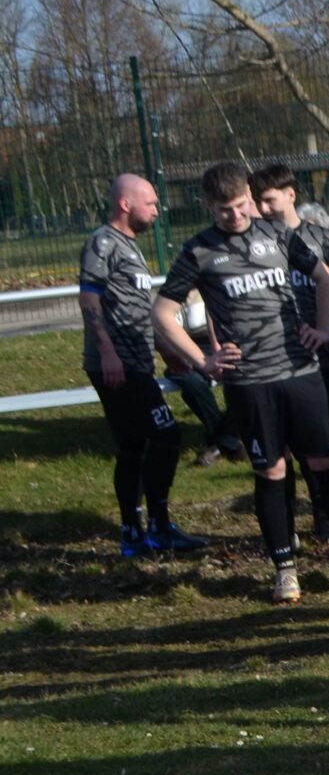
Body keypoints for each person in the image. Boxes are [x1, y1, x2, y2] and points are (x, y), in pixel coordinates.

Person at [154, 162, 329, 603]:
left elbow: (326, 278)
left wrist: (323, 329)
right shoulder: (199, 251)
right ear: (208, 206)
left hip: (302, 372)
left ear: (249, 195)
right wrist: (203, 361)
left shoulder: (278, 234)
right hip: (250, 382)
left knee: (327, 464)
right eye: (224, 209)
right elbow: (162, 314)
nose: (235, 215)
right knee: (271, 470)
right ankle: (285, 569)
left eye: (239, 204)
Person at [79, 174, 203, 556]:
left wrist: (167, 352)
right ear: (125, 204)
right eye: (149, 201)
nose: (157, 208)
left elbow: (139, 311)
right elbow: (89, 299)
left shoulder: (130, 248)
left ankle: (136, 532)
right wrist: (108, 352)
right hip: (117, 365)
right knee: (165, 436)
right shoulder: (103, 242)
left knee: (134, 446)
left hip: (137, 361)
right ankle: (155, 525)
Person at [251, 163, 329, 549]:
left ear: (290, 195)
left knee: (327, 442)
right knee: (279, 449)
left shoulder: (320, 239)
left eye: (269, 199)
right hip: (272, 359)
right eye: (257, 200)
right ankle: (284, 527)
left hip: (319, 358)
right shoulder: (255, 240)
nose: (262, 208)